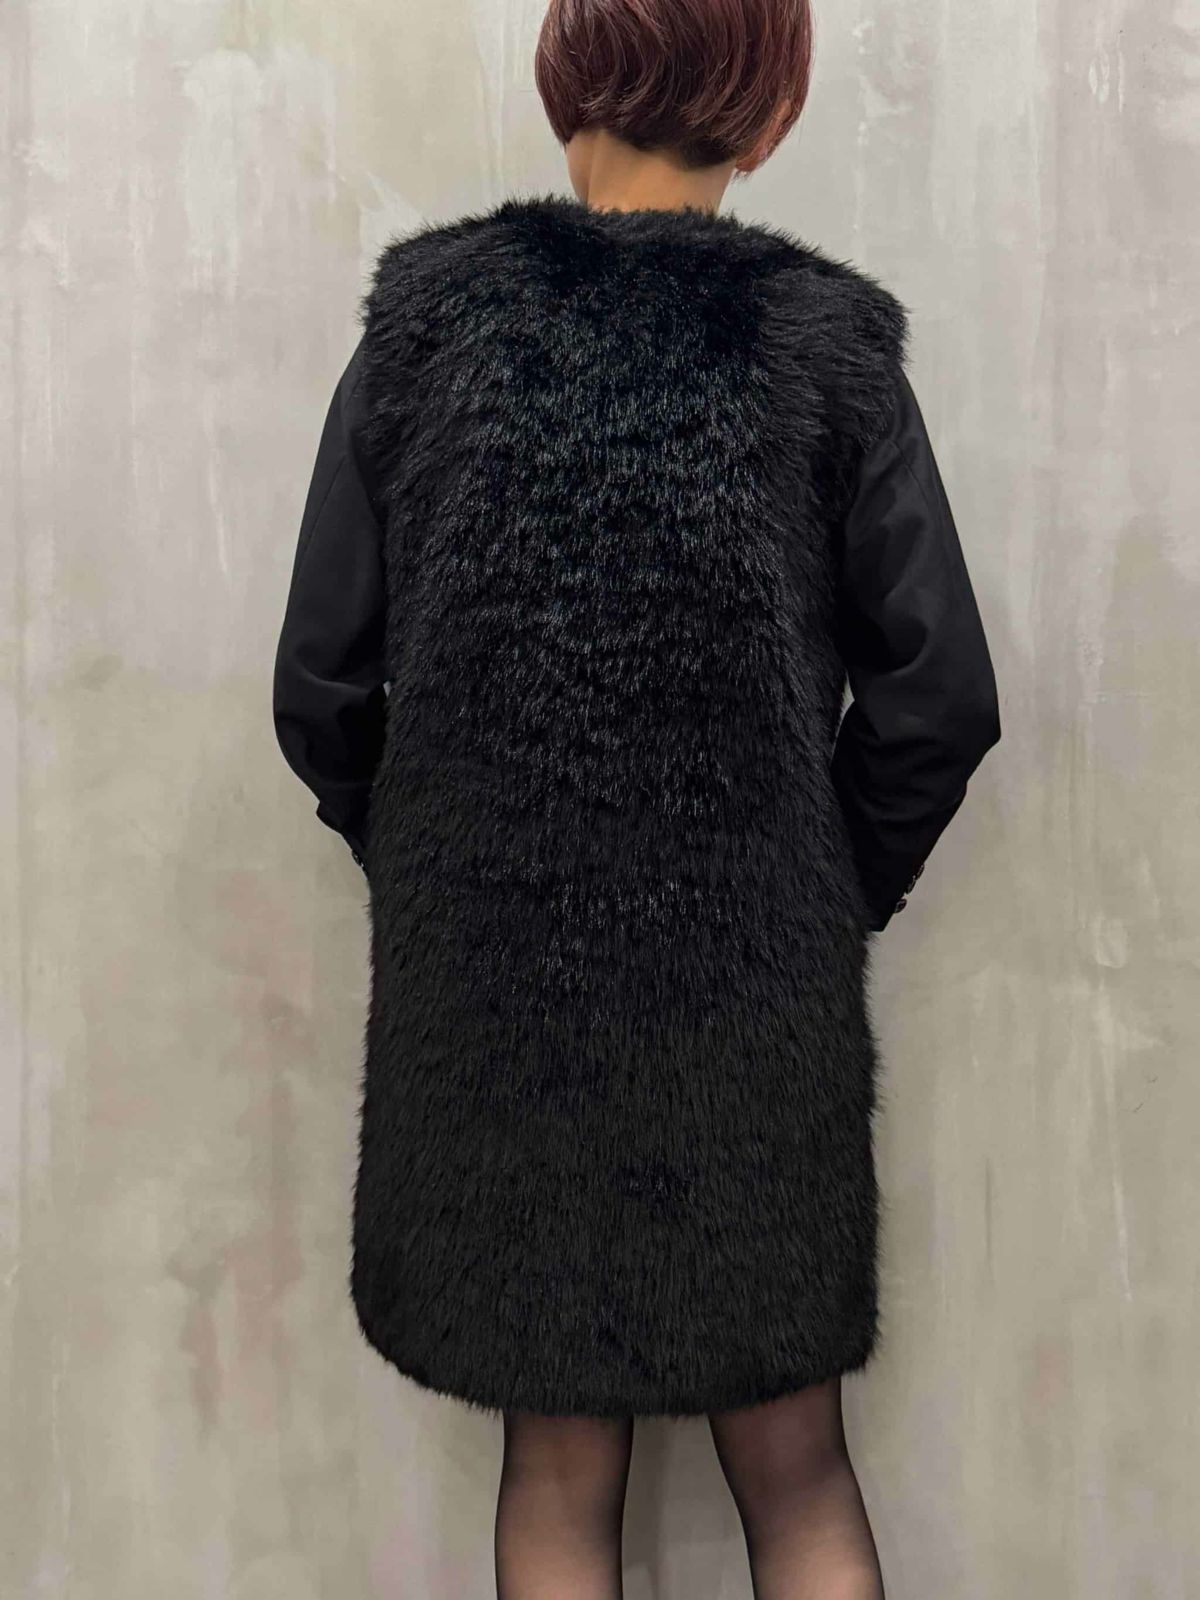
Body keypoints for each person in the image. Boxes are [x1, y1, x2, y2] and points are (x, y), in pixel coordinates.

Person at [272, 1, 1001, 1594]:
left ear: (564, 77)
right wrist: (821, 892)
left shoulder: (425, 331)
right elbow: (939, 700)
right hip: (750, 1000)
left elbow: (320, 690)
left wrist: (441, 864)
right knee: (796, 1470)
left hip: (494, 1001)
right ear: (772, 110)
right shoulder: (825, 348)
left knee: (555, 1468)